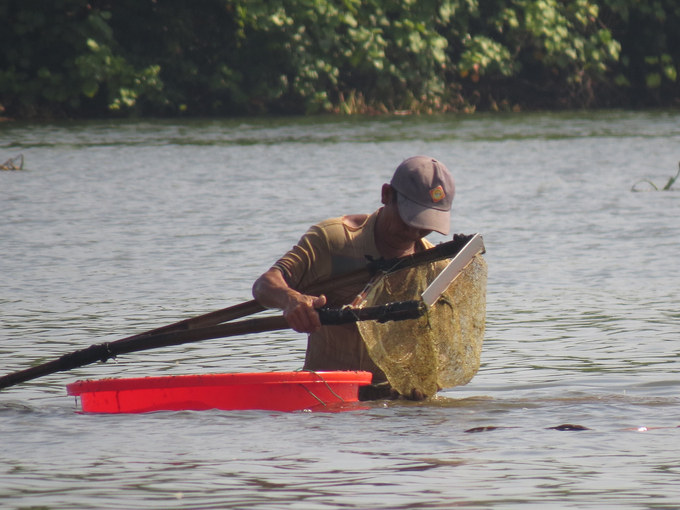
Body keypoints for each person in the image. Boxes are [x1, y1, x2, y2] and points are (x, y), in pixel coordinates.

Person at [252, 156, 455, 399]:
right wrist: (290, 300)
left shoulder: (437, 267)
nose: (413, 232)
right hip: (328, 396)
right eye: (408, 219)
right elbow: (265, 284)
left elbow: (443, 353)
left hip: (397, 406)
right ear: (387, 195)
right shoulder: (333, 241)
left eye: (424, 225)